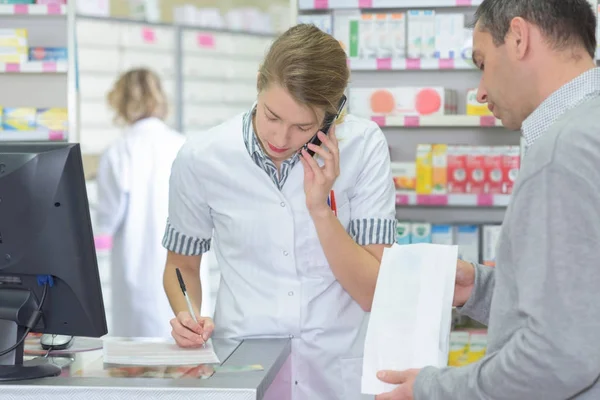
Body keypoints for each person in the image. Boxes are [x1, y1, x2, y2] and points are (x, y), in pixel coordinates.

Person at [374, 0, 600, 399]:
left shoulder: (561, 151)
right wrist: (481, 288)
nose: (480, 92)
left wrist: (433, 390)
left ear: (518, 37)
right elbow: (582, 306)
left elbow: (558, 355)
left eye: (482, 63)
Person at [162, 24, 397, 399]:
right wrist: (187, 314)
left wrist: (320, 209)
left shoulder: (364, 146)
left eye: (303, 126)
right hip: (244, 363)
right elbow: (181, 265)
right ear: (258, 84)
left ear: (333, 114)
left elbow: (373, 292)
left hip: (336, 371)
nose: (280, 139)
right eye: (272, 116)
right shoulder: (202, 157)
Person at [96, 68, 185, 339]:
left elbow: (107, 222)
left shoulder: (119, 151)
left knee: (138, 366)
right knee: (183, 363)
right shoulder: (183, 145)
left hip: (137, 272)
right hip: (184, 274)